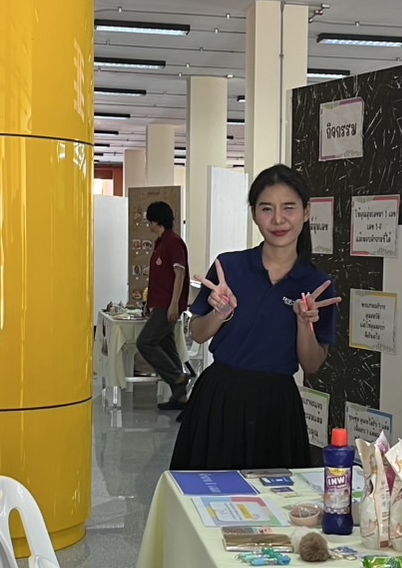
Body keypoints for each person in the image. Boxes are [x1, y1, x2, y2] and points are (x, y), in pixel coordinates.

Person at [170, 164, 341, 470]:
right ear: (254, 214)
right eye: (266, 209)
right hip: (220, 398)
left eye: (289, 207)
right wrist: (220, 313)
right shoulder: (229, 267)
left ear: (306, 212)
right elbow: (197, 333)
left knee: (274, 496)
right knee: (210, 491)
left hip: (277, 406)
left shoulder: (317, 285)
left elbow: (312, 365)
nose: (278, 219)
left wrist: (304, 323)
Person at [136, 200, 191, 410]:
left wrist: (174, 304)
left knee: (145, 342)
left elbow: (180, 273)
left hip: (167, 305)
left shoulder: (173, 242)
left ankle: (177, 376)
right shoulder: (160, 243)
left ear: (156, 221)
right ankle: (180, 397)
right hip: (159, 304)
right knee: (167, 345)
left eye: (149, 220)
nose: (148, 224)